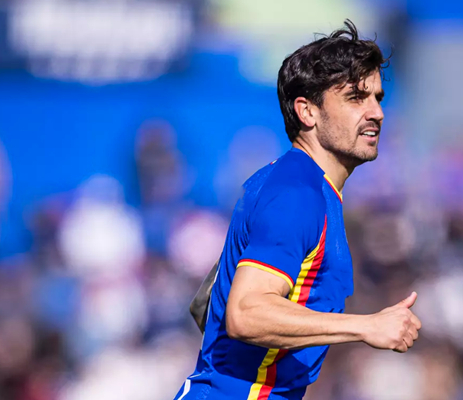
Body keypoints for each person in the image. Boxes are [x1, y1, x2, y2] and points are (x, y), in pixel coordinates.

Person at [174, 20, 421, 400]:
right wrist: (365, 326)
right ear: (307, 112)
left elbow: (208, 308)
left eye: (378, 97)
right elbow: (245, 313)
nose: (376, 112)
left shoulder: (303, 188)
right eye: (356, 98)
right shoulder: (296, 193)